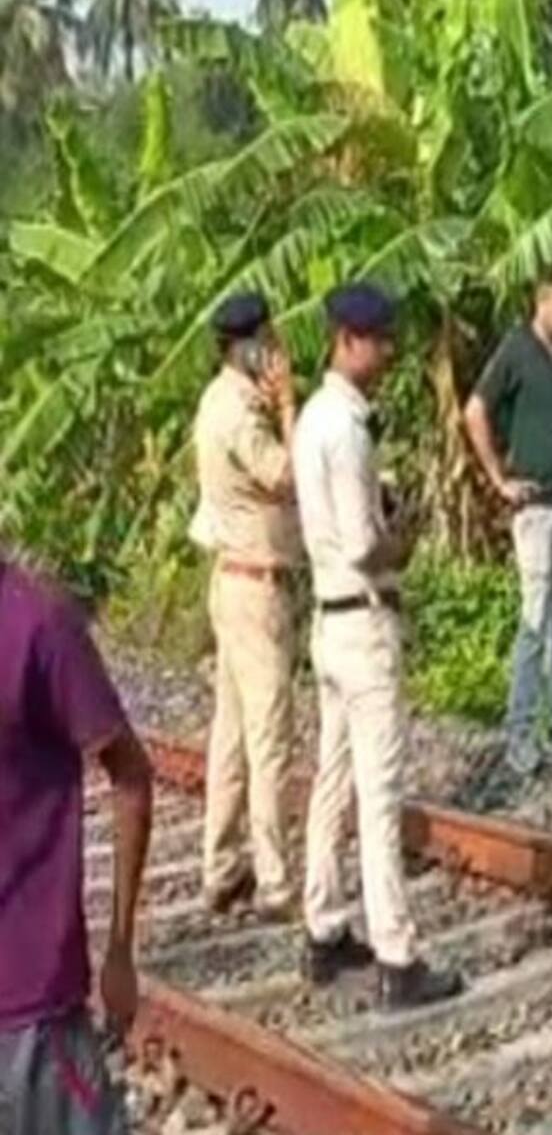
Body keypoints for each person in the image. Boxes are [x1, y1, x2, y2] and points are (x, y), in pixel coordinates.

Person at [293, 282, 463, 1009]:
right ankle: (397, 951)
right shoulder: (350, 428)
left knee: (332, 781)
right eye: (381, 341)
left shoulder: (310, 417)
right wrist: (405, 537)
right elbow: (366, 543)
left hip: (326, 623)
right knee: (379, 790)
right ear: (349, 341)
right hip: (362, 620)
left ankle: (324, 926)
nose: (389, 353)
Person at [0, 554, 154, 1135]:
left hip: (30, 1007)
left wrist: (119, 949)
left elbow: (130, 776)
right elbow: (132, 777)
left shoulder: (38, 623)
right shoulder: (37, 621)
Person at [462, 265, 552, 780]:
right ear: (542, 303)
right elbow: (475, 410)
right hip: (534, 508)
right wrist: (499, 478)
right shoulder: (516, 351)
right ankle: (520, 732)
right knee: (534, 620)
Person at [190, 292, 302, 918]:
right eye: (269, 338)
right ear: (249, 344)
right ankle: (276, 880)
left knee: (229, 734)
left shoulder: (217, 399)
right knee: (268, 737)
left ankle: (220, 865)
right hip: (257, 585)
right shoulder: (243, 413)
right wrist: (288, 403)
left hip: (230, 579)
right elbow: (287, 474)